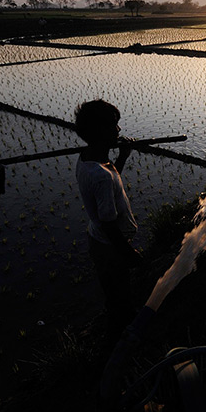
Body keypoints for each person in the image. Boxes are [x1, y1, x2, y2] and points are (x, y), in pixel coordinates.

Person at [74, 99, 142, 344]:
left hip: (98, 241)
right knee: (120, 293)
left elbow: (111, 185)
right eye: (114, 126)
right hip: (110, 248)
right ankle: (122, 335)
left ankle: (118, 322)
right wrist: (129, 253)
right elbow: (109, 225)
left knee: (113, 290)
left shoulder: (88, 159)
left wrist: (123, 155)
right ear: (100, 131)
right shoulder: (100, 174)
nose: (119, 131)